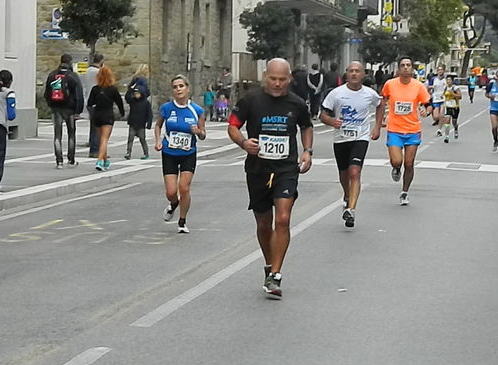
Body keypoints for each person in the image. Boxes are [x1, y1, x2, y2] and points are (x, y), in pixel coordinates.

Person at [227, 58, 313, 299]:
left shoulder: (296, 104)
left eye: (282, 80)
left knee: (283, 218)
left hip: (286, 168)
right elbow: (232, 125)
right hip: (257, 169)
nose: (277, 84)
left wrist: (307, 151)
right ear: (266, 76)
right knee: (264, 224)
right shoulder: (250, 100)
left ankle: (275, 274)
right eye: (273, 79)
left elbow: (306, 127)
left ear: (289, 79)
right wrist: (243, 142)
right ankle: (269, 263)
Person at [320, 61, 384, 228]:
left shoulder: (370, 93)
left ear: (363, 75)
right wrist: (332, 121)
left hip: (360, 138)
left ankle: (351, 210)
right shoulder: (336, 94)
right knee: (343, 174)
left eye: (357, 71)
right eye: (351, 71)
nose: (354, 74)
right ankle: (347, 195)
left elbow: (380, 104)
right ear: (346, 74)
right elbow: (323, 114)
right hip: (341, 139)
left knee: (355, 172)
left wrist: (377, 126)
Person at [154, 74, 206, 234]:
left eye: (181, 86)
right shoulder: (167, 108)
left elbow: (203, 135)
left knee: (184, 188)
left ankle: (182, 221)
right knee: (171, 192)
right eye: (175, 87)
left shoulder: (197, 110)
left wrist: (198, 131)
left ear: (187, 88)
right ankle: (173, 203)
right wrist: (157, 141)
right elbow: (157, 126)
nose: (178, 89)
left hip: (188, 153)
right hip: (169, 152)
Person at [380, 56, 432, 206]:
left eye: (408, 65)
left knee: (409, 164)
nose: (406, 68)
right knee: (397, 161)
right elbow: (383, 101)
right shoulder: (390, 84)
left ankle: (404, 192)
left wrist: (426, 111)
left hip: (412, 130)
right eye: (403, 65)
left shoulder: (418, 86)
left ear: (412, 68)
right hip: (395, 129)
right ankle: (396, 168)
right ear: (398, 68)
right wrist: (382, 117)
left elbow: (428, 104)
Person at [44, 53, 84, 169]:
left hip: (56, 108)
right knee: (71, 134)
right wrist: (78, 110)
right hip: (69, 109)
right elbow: (79, 95)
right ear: (70, 62)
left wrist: (50, 105)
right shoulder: (72, 76)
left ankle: (59, 161)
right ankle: (71, 160)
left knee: (57, 135)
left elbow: (47, 93)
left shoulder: (52, 75)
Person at [87, 66, 125, 171]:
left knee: (101, 139)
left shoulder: (95, 89)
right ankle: (99, 160)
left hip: (97, 115)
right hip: (107, 115)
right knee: (105, 139)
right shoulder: (112, 89)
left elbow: (90, 103)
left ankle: (105, 160)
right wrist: (122, 113)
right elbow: (119, 102)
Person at [83, 53, 104, 157]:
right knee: (98, 127)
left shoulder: (88, 71)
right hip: (97, 101)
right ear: (101, 61)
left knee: (93, 126)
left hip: (89, 100)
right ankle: (95, 149)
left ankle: (93, 146)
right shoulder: (99, 72)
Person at [124, 88, 152, 160]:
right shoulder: (132, 101)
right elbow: (127, 98)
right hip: (133, 123)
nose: (136, 95)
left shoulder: (146, 103)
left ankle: (146, 153)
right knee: (130, 139)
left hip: (141, 124)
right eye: (135, 94)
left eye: (138, 94)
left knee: (142, 139)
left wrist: (149, 124)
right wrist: (130, 89)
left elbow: (149, 114)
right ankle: (128, 153)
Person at [441, 74, 461, 143]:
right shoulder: (446, 87)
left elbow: (460, 96)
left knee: (454, 122)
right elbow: (443, 95)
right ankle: (446, 136)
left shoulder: (455, 88)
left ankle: (456, 128)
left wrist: (453, 94)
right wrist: (442, 97)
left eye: (449, 80)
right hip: (448, 107)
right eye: (447, 80)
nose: (448, 81)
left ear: (452, 81)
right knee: (447, 120)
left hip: (455, 107)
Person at [428, 64, 446, 132]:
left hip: (443, 98)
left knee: (441, 114)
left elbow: (449, 87)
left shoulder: (446, 79)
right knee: (436, 116)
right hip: (435, 98)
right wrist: (431, 89)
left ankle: (440, 128)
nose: (440, 71)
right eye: (438, 70)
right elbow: (429, 87)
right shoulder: (434, 79)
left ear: (443, 71)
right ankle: (441, 120)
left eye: (441, 70)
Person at [485, 71, 498, 152]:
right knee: (494, 127)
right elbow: (486, 94)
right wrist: (490, 96)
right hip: (493, 109)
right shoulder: (491, 85)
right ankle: (495, 140)